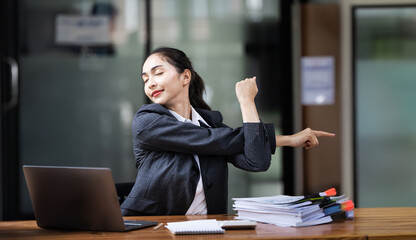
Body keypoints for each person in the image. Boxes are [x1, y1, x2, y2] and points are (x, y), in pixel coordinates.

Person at [120, 47, 335, 216]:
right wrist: (286, 139)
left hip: (207, 228)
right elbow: (212, 140)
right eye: (145, 79)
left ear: (186, 77)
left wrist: (247, 103)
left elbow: (256, 160)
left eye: (158, 73)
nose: (151, 83)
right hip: (151, 227)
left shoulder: (210, 124)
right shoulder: (147, 121)